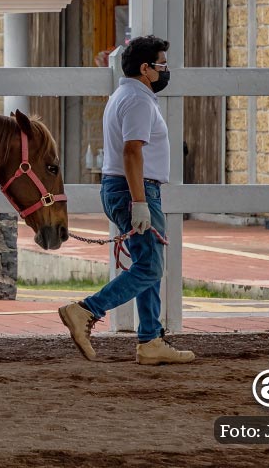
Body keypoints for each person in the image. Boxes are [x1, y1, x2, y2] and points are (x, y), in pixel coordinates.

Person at [57, 35, 195, 366]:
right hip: (136, 189)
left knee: (146, 265)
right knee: (150, 266)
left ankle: (150, 340)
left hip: (127, 188)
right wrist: (140, 203)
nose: (166, 70)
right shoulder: (138, 101)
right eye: (162, 65)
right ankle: (86, 310)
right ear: (145, 68)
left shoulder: (127, 95)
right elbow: (132, 151)